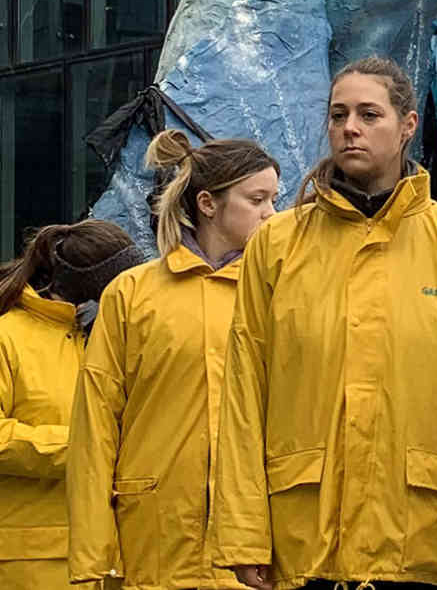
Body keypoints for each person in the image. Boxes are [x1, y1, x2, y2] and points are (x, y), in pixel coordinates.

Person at [213, 57, 437, 590]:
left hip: (422, 537)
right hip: (306, 539)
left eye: (370, 115)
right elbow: (244, 392)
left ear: (408, 125)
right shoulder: (276, 245)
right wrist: (244, 533)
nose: (350, 128)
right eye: (338, 115)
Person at [68, 132, 281, 589]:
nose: (271, 214)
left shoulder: (280, 294)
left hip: (255, 548)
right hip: (156, 542)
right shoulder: (132, 295)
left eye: (273, 200)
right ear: (208, 203)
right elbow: (96, 428)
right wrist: (95, 551)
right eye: (257, 199)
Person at [0, 220, 147, 590]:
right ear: (96, 286)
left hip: (112, 555)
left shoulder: (116, 338)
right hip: (30, 562)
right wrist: (84, 449)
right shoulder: (1, 341)